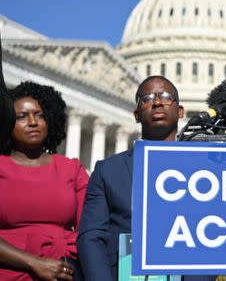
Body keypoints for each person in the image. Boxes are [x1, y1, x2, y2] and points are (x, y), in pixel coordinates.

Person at [77, 75, 184, 280]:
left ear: (180, 111)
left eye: (166, 96)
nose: (158, 102)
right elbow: (91, 237)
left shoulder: (202, 168)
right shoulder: (108, 171)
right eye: (147, 98)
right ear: (136, 115)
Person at [0, 81, 88, 280]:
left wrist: (68, 261)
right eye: (21, 116)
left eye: (40, 115)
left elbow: (89, 227)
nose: (33, 122)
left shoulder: (71, 169)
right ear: (6, 122)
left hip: (65, 271)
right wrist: (35, 263)